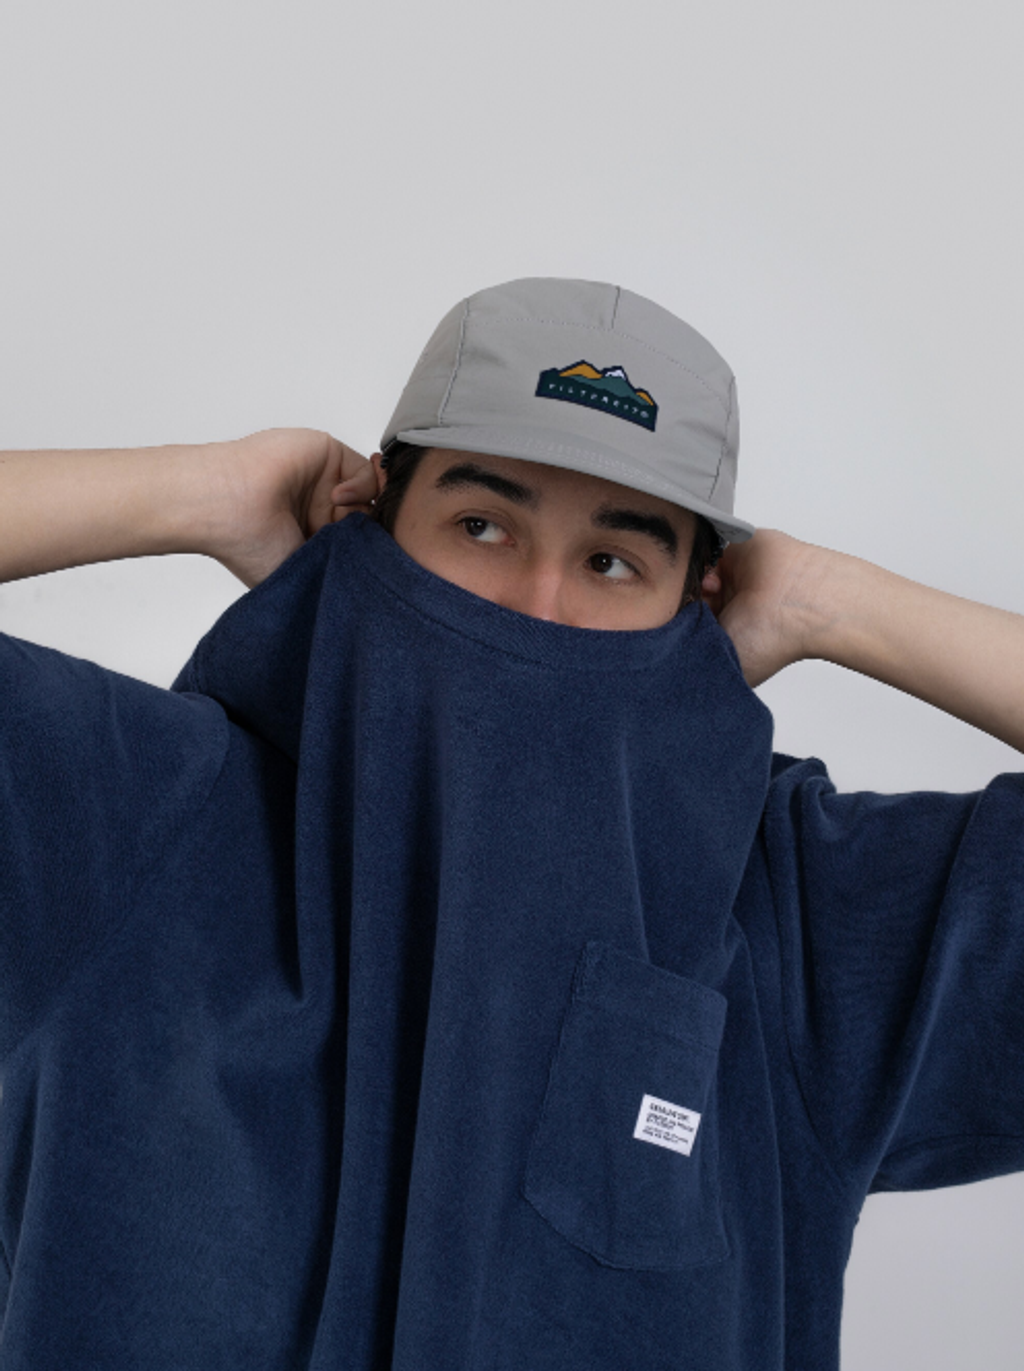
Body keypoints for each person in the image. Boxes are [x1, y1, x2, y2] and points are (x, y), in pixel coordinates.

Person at [0, 277, 1022, 1370]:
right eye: (481, 526)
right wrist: (200, 494)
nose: (539, 607)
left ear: (699, 601)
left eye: (612, 561)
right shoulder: (139, 810)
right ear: (370, 522)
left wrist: (830, 602)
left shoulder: (795, 915)